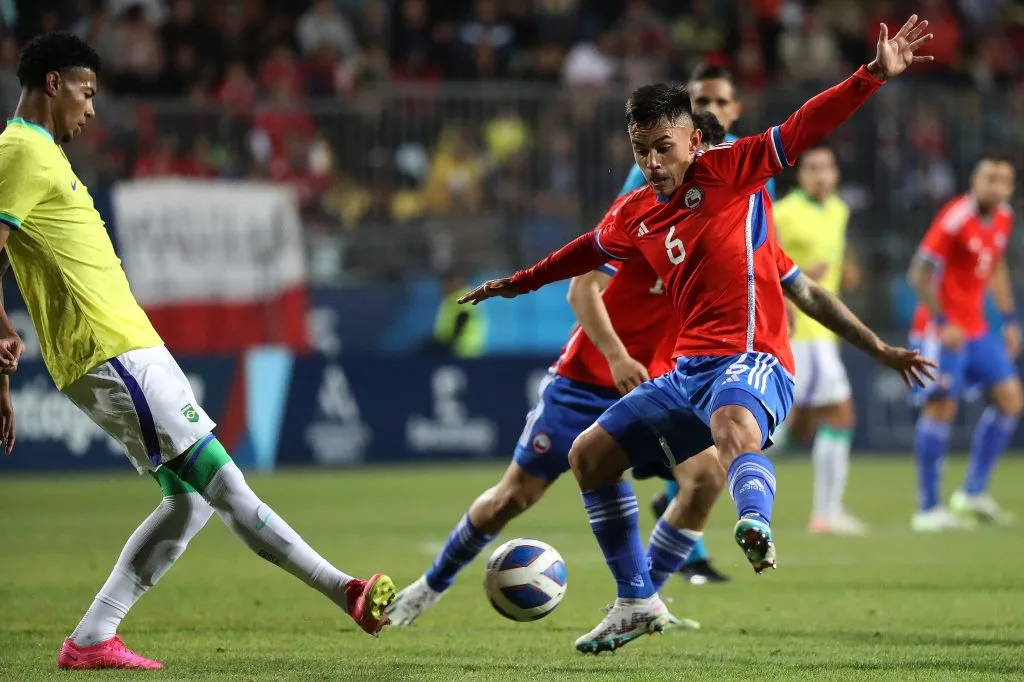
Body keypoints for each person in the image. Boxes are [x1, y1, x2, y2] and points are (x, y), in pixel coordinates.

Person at [459, 15, 936, 654]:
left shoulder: (732, 172)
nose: (653, 162)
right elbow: (578, 255)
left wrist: (872, 74)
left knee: (731, 430)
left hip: (756, 357)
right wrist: (513, 283)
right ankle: (636, 600)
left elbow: (804, 127)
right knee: (589, 457)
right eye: (640, 149)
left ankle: (756, 525)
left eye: (664, 146)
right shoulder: (636, 211)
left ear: (692, 137)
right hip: (688, 370)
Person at [0, 33, 395, 671]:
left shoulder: (39, 153)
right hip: (112, 351)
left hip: (125, 348)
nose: (92, 109)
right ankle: (344, 589)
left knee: (188, 503)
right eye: (87, 93)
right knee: (225, 484)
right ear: (53, 83)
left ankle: (93, 638)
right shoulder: (21, 149)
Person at [386, 112, 731, 629]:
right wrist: (616, 355)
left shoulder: (721, 229)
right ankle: (429, 586)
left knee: (705, 477)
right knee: (513, 497)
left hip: (656, 385)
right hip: (589, 381)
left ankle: (643, 602)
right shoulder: (643, 217)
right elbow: (581, 288)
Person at [631, 64, 769, 585]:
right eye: (701, 101)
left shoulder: (745, 165)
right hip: (676, 334)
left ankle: (651, 584)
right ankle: (679, 564)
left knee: (710, 452)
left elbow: (762, 255)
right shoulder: (657, 165)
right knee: (707, 451)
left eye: (720, 102)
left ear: (735, 110)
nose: (711, 110)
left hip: (739, 330)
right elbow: (625, 239)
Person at [906, 153, 1020, 531]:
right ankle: (928, 508)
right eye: (990, 178)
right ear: (975, 180)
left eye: (1004, 180)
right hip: (942, 331)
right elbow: (918, 273)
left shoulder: (1004, 217)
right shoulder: (956, 218)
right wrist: (942, 321)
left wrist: (1008, 320)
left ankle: (972, 492)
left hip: (978, 328)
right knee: (942, 409)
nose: (997, 187)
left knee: (1010, 400)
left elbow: (996, 266)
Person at [773, 145, 867, 535]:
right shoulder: (782, 213)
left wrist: (847, 268)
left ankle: (826, 513)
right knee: (835, 416)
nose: (820, 175)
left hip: (824, 333)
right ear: (800, 176)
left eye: (827, 167)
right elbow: (759, 266)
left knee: (793, 428)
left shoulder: (839, 210)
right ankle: (827, 514)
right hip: (799, 333)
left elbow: (835, 251)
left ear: (836, 174)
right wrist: (794, 281)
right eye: (812, 168)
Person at [424, 269, 487, 358]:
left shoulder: (465, 296)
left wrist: (450, 342)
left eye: (447, 282)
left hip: (464, 349)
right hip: (457, 349)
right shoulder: (452, 298)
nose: (444, 286)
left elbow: (464, 316)